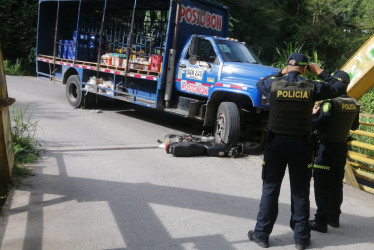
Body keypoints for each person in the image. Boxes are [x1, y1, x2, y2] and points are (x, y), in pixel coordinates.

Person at [248, 52, 349, 250]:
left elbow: (259, 83)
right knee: (300, 192)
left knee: (270, 189)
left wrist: (280, 72)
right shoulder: (313, 87)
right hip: (302, 146)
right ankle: (301, 238)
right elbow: (339, 86)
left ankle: (261, 235)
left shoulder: (273, 84)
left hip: (275, 144)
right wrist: (320, 71)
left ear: (287, 67)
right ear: (305, 68)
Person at [309, 71, 360, 233]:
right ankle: (333, 218)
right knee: (337, 184)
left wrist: (313, 115)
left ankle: (320, 222)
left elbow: (320, 125)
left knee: (322, 184)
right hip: (341, 149)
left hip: (326, 149)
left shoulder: (330, 104)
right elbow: (354, 127)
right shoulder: (354, 103)